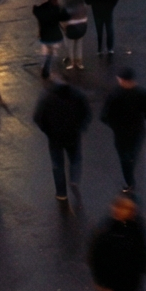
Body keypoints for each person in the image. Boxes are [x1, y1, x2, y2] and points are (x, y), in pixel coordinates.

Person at [35, 70, 91, 204]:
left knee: (57, 165)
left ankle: (61, 193)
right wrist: (80, 127)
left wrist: (48, 131)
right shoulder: (77, 94)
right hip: (73, 135)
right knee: (75, 160)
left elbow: (38, 117)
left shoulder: (47, 96)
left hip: (55, 138)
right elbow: (86, 113)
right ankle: (74, 180)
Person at [102, 68, 146, 195]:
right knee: (133, 154)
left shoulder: (115, 95)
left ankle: (129, 182)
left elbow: (104, 116)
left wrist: (113, 125)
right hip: (138, 130)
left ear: (122, 80)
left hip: (121, 132)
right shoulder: (142, 93)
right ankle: (131, 165)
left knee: (124, 157)